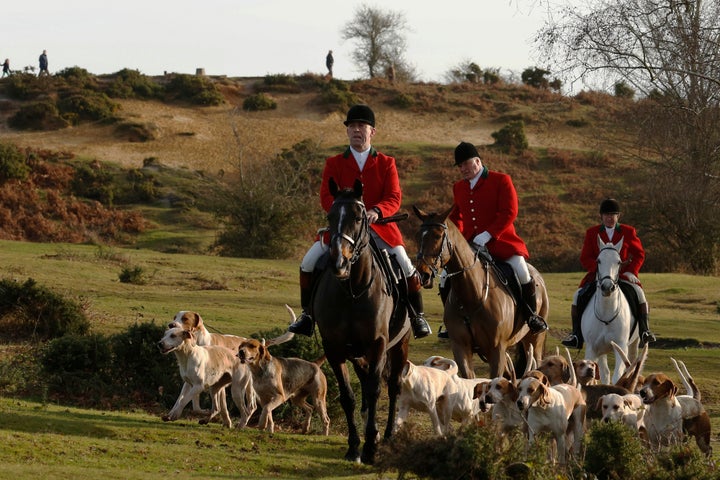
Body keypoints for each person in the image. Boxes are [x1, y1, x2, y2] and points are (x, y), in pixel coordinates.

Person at [287, 104, 431, 339]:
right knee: (308, 261)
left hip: (380, 228)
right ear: (347, 131)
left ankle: (418, 316)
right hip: (344, 229)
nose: (356, 130)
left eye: (361, 126)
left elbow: (394, 196)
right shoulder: (334, 163)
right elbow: (326, 197)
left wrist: (377, 210)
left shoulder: (386, 162)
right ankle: (308, 316)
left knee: (405, 264)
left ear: (372, 131)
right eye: (352, 126)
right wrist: (344, 210)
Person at [438, 141, 547, 338]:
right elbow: (457, 218)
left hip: (502, 242)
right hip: (472, 245)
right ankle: (451, 321)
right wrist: (454, 235)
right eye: (460, 166)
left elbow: (509, 212)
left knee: (522, 272)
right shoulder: (459, 187)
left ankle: (531, 316)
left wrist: (488, 234)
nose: (462, 169)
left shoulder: (501, 180)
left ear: (477, 161)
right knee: (445, 277)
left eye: (465, 164)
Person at [561, 198, 656, 349]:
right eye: (606, 215)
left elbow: (639, 254)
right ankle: (576, 334)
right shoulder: (592, 233)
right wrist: (599, 270)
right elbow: (585, 257)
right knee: (577, 296)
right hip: (598, 276)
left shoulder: (628, 231)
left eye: (613, 215)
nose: (609, 218)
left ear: (618, 216)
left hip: (623, 275)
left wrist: (632, 271)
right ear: (601, 216)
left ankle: (644, 331)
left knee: (639, 293)